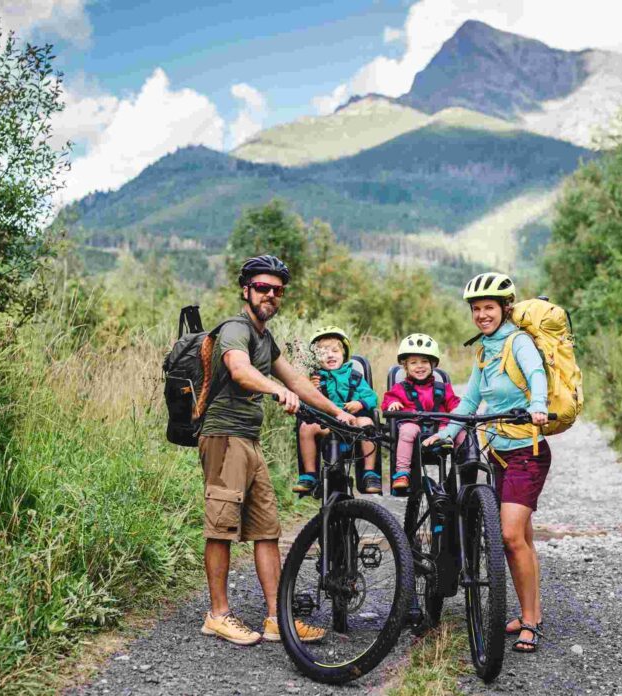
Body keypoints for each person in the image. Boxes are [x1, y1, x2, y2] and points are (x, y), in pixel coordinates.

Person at [198, 255, 357, 646]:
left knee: (267, 529)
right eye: (263, 287)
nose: (270, 294)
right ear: (246, 290)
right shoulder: (236, 329)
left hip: (249, 441)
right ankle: (217, 614)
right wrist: (275, 389)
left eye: (277, 290)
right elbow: (238, 369)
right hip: (223, 437)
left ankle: (276, 617)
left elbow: (297, 380)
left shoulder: (264, 338)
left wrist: (338, 412)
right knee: (220, 527)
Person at [423, 271, 550, 654]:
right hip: (496, 451)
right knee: (521, 538)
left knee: (509, 537)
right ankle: (532, 613)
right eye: (476, 309)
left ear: (505, 309)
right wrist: (446, 433)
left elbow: (536, 374)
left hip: (527, 451)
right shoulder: (484, 350)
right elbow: (468, 402)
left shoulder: (519, 342)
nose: (481, 315)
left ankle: (530, 622)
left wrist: (538, 406)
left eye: (489, 308)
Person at [292, 326, 381, 494]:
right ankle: (309, 475)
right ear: (316, 358)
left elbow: (372, 397)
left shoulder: (354, 376)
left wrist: (360, 403)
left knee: (368, 422)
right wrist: (311, 390)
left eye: (335, 351)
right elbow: (304, 406)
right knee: (305, 427)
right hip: (325, 425)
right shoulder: (314, 379)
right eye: (324, 352)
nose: (330, 355)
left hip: (352, 426)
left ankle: (369, 473)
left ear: (344, 354)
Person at [381, 333, 464, 492]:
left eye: (424, 361)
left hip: (440, 428)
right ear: (405, 367)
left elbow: (453, 402)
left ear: (433, 364)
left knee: (461, 431)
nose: (419, 366)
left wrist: (458, 410)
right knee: (407, 430)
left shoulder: (442, 388)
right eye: (413, 362)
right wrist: (393, 403)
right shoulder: (400, 388)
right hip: (413, 427)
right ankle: (402, 472)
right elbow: (388, 400)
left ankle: (462, 468)